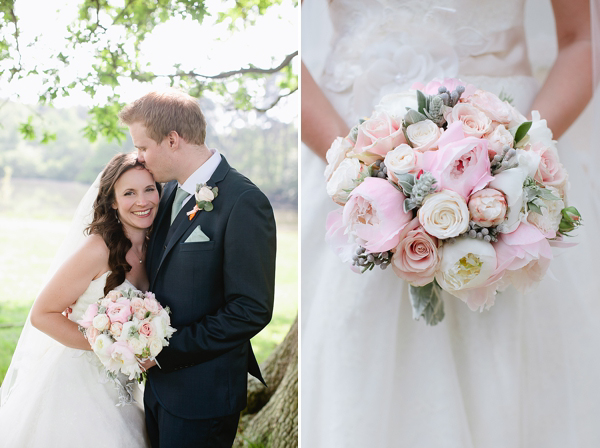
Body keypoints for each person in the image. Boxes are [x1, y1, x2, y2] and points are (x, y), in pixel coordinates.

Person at [301, 0, 600, 447]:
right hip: (350, 139)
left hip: (507, 140)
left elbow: (581, 41)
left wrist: (513, 164)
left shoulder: (513, 161)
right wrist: (364, 169)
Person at [118, 89, 277, 448]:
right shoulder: (169, 193)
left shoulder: (244, 201)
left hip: (203, 397)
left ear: (172, 140)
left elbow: (250, 309)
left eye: (143, 148)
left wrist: (164, 351)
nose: (138, 158)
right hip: (159, 392)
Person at [0, 152, 160, 447]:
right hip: (76, 383)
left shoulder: (155, 248)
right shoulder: (97, 249)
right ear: (112, 201)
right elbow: (42, 314)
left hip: (123, 387)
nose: (143, 201)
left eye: (149, 189)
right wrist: (111, 345)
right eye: (129, 193)